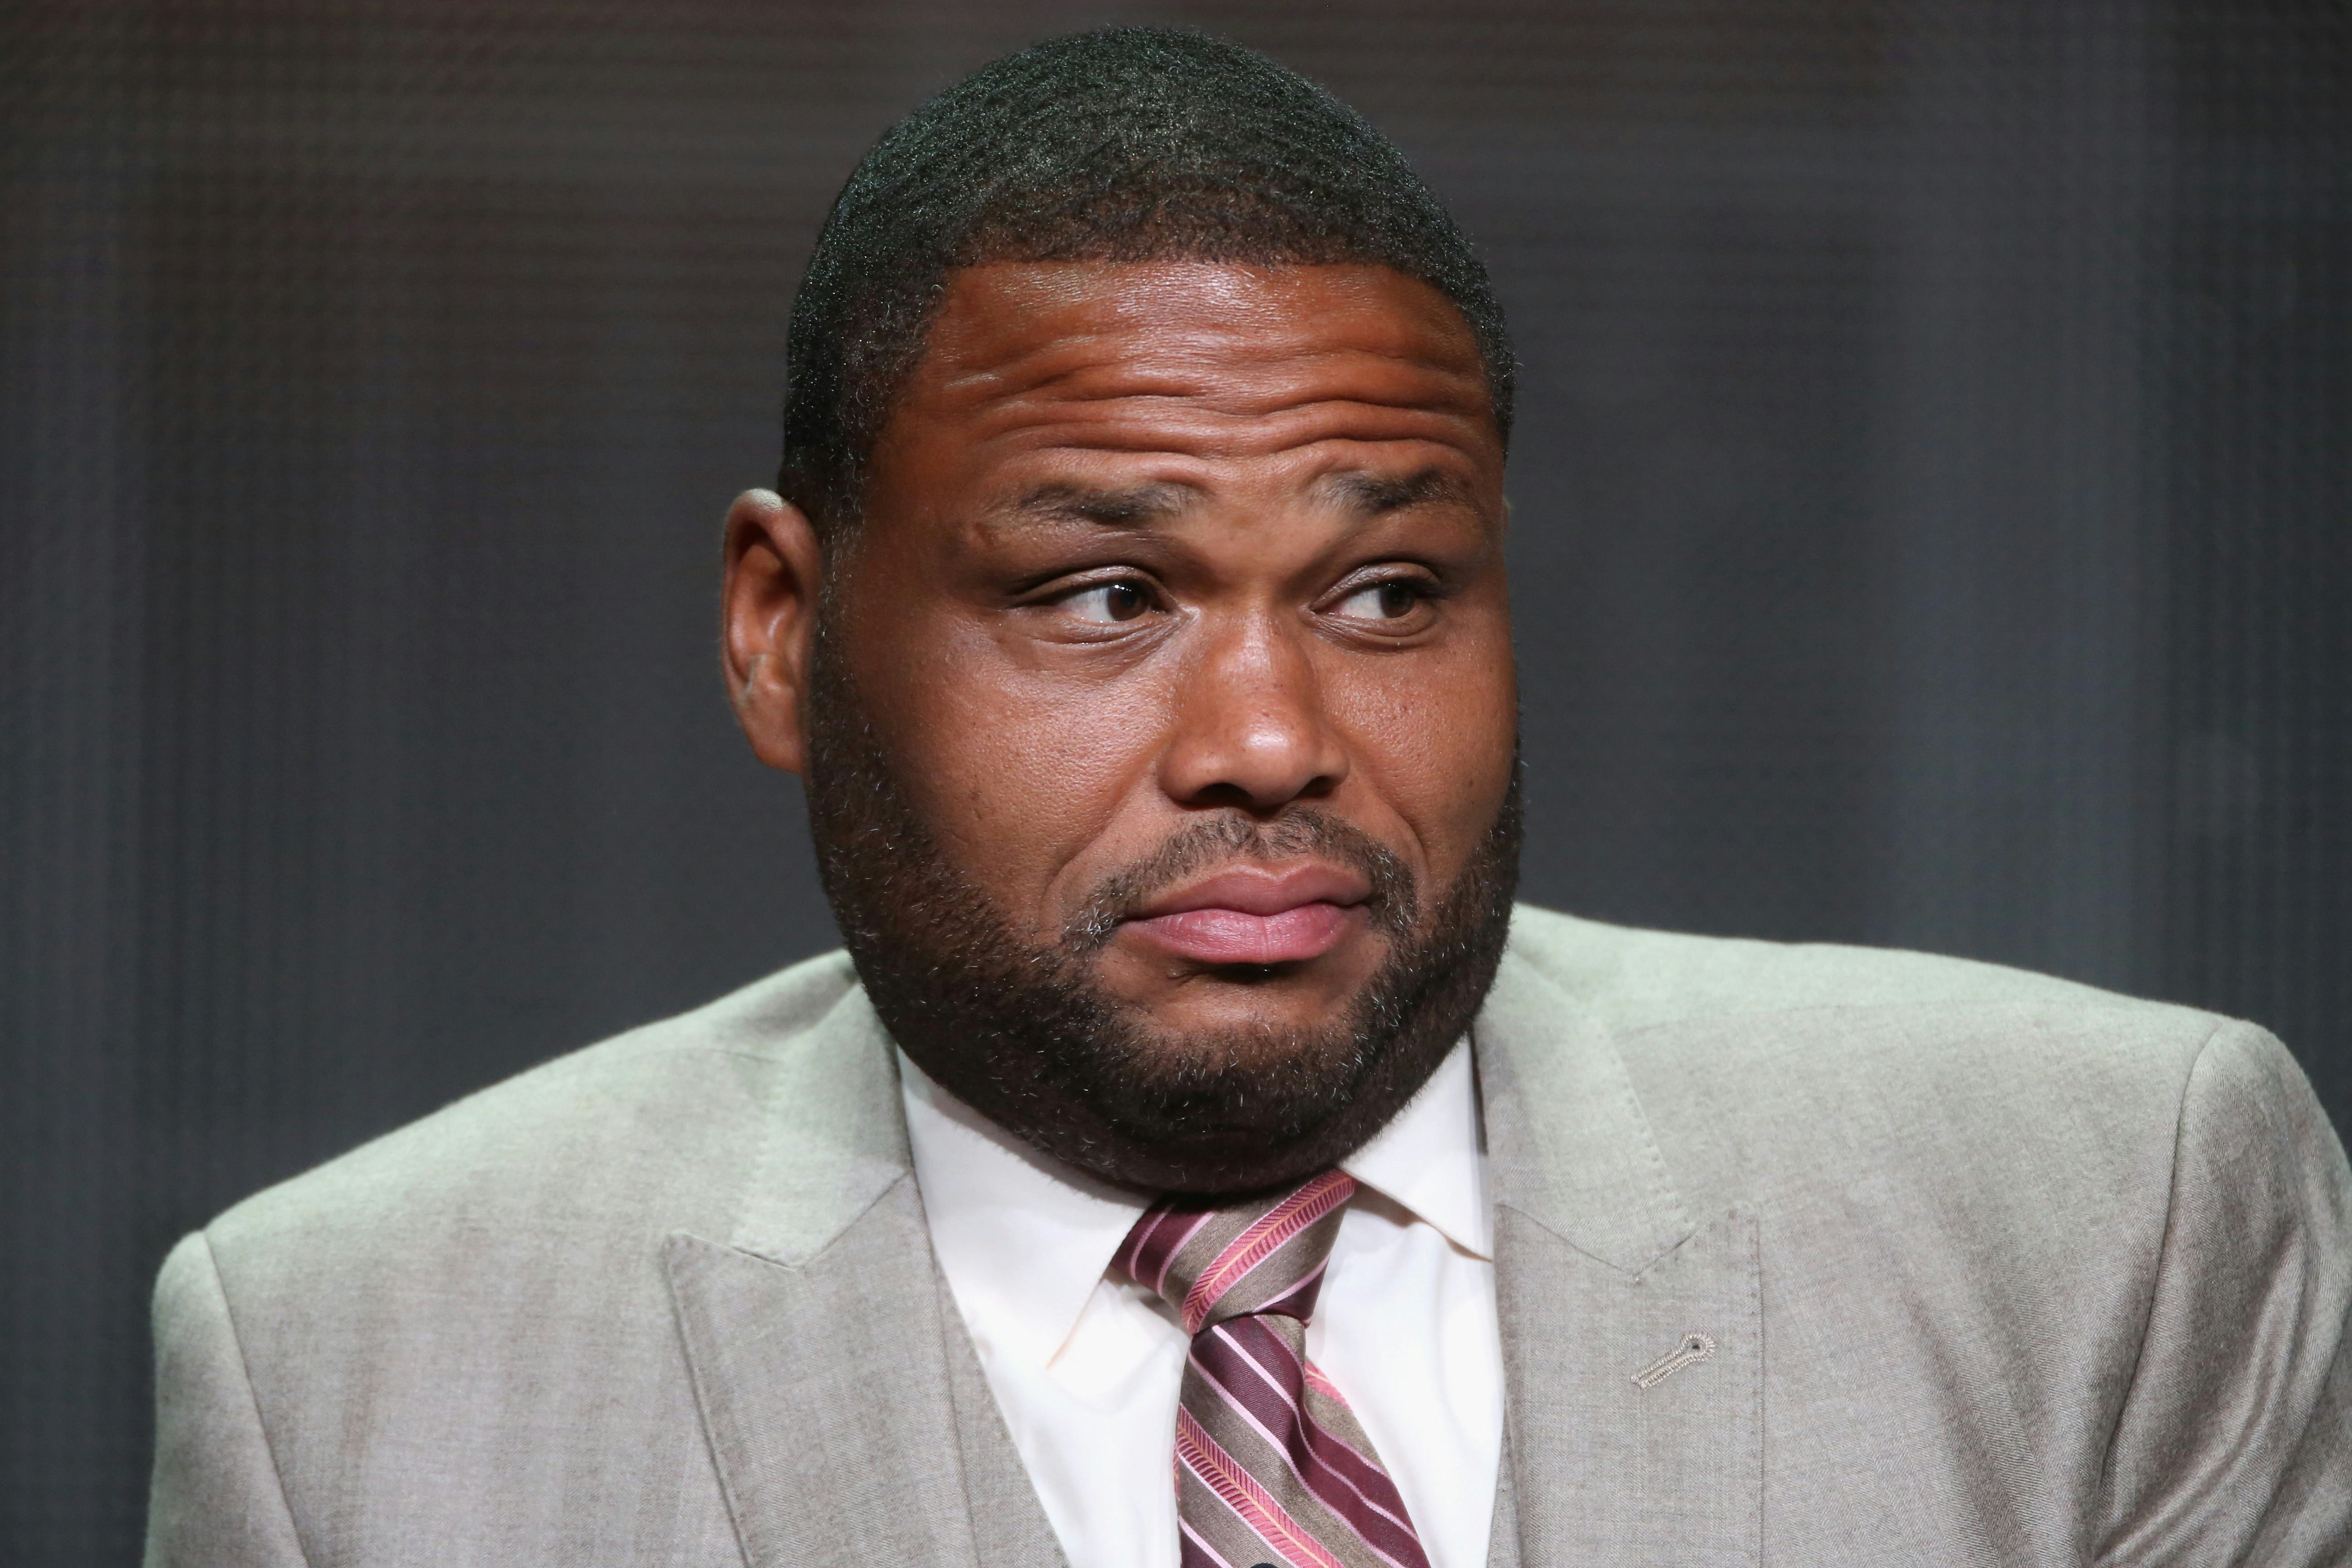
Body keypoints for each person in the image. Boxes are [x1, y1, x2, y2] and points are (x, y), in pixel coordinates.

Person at [143, 27, 2350, 1568]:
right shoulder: (351, 1373)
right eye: (1105, 595)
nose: (1273, 737)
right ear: (782, 632)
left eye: (1390, 590)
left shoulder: (2110, 1216)